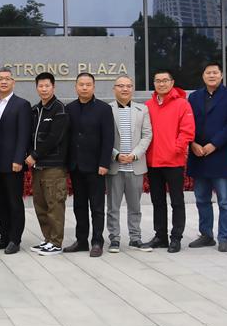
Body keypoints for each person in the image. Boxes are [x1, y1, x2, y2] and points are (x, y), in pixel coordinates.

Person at [187, 62, 227, 252]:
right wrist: (192, 143)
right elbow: (188, 123)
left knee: (224, 201)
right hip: (198, 154)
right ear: (203, 76)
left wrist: (214, 144)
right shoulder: (194, 97)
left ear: (221, 75)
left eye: (215, 72)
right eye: (208, 72)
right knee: (201, 199)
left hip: (220, 155)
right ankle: (206, 235)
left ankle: (224, 237)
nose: (211, 75)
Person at [144, 69, 195, 253]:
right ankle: (160, 236)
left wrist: (176, 149)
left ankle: (176, 237)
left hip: (174, 162)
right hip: (153, 162)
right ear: (154, 84)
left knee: (177, 201)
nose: (161, 84)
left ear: (172, 83)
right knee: (157, 201)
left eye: (165, 80)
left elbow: (187, 131)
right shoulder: (148, 105)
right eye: (158, 80)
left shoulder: (182, 104)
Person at [64, 73, 115, 257]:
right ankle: (81, 241)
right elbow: (66, 137)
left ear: (93, 87)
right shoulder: (69, 108)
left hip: (95, 167)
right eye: (81, 84)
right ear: (76, 87)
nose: (84, 87)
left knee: (97, 207)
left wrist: (104, 163)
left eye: (88, 84)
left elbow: (108, 138)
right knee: (79, 206)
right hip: (76, 166)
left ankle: (97, 242)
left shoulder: (103, 109)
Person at [106, 75, 153, 253]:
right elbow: (103, 137)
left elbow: (147, 135)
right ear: (114, 89)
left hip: (135, 166)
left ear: (132, 88)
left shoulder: (142, 109)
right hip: (114, 166)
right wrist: (116, 155)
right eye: (120, 86)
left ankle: (135, 238)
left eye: (128, 86)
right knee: (113, 207)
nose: (125, 89)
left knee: (135, 206)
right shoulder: (107, 109)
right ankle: (114, 239)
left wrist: (134, 155)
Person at [26, 72, 70, 257]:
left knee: (55, 205)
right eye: (40, 86)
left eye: (47, 86)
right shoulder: (36, 109)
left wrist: (34, 155)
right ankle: (48, 239)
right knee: (41, 205)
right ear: (36, 88)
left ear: (53, 87)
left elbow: (54, 138)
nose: (44, 89)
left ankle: (56, 242)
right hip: (38, 167)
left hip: (53, 166)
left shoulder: (59, 109)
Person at [0, 68, 31, 255]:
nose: (4, 82)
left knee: (14, 202)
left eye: (7, 79)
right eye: (0, 79)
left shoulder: (21, 105)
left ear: (13, 82)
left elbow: (24, 134)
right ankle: (4, 236)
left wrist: (18, 159)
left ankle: (15, 239)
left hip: (13, 163)